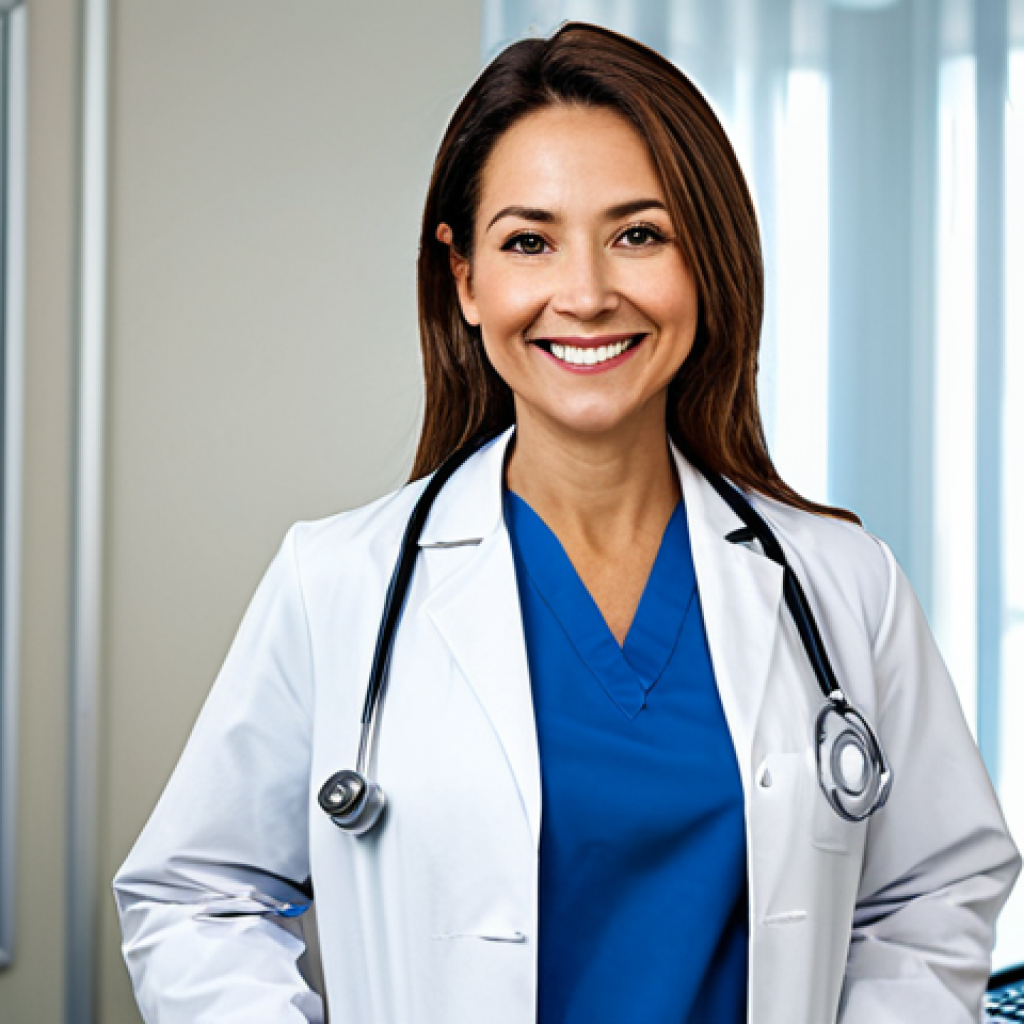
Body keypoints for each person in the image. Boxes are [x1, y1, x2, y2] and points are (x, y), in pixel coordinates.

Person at [113, 21, 1020, 1024]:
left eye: (639, 235)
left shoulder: (842, 582)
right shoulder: (337, 582)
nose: (585, 296)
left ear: (704, 263)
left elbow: (932, 893)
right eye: (528, 242)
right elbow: (194, 897)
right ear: (464, 278)